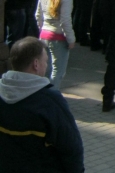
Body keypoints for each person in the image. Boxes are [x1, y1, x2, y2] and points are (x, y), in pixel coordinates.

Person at [0, 37, 84, 172]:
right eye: (46, 61)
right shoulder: (50, 101)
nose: (46, 66)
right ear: (36, 64)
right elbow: (71, 149)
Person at [35, 0, 75, 90]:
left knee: (45, 70)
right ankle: (52, 99)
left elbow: (38, 14)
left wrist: (42, 29)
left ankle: (42, 95)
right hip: (58, 37)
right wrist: (71, 39)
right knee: (58, 71)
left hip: (44, 35)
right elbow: (65, 21)